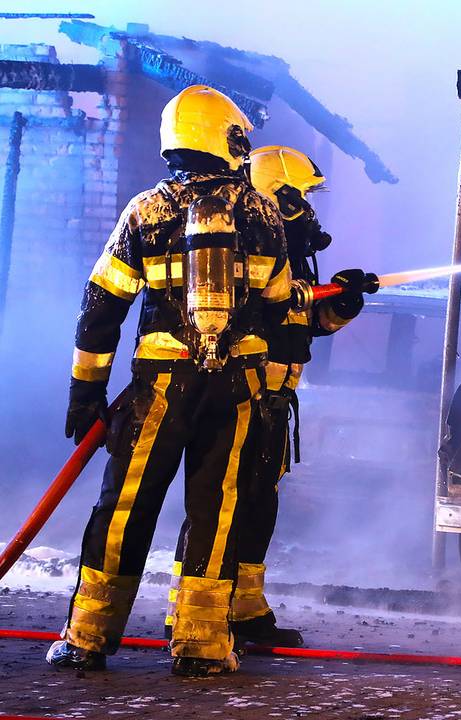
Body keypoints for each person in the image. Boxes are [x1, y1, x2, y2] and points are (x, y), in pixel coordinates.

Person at [47, 85, 290, 677]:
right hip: (237, 391)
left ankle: (88, 637)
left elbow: (101, 305)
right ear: (227, 139)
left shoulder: (145, 212)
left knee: (126, 506)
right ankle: (202, 645)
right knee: (217, 511)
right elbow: (282, 308)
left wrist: (87, 390)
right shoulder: (262, 213)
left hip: (159, 388)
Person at [166, 145, 372, 647]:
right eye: (302, 197)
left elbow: (305, 327)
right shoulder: (242, 243)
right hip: (242, 393)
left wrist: (342, 304)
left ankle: (245, 607)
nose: (310, 208)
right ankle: (191, 614)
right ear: (277, 195)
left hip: (275, 399)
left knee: (259, 502)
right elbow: (258, 318)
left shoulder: (290, 250)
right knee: (219, 503)